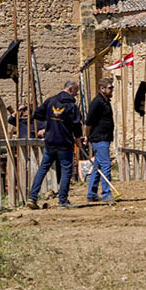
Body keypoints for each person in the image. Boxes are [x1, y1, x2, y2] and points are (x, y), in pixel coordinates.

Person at [28, 79, 82, 209]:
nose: (76, 95)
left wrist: (51, 121)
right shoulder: (71, 107)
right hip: (64, 142)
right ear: (69, 89)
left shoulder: (51, 101)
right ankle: (62, 201)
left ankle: (32, 197)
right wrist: (78, 139)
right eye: (75, 92)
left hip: (50, 141)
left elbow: (37, 114)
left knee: (43, 169)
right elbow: (76, 125)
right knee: (65, 171)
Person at [83, 78, 115, 203]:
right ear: (102, 89)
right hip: (99, 138)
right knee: (106, 165)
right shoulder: (97, 102)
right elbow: (88, 122)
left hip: (105, 137)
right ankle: (106, 193)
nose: (112, 89)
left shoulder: (106, 101)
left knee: (98, 166)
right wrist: (86, 136)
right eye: (110, 87)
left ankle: (91, 193)